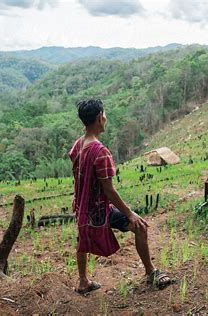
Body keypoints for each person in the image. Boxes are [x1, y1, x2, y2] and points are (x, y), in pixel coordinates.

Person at [68, 99, 172, 294]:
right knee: (140, 226)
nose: (106, 119)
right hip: (99, 211)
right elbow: (109, 190)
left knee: (82, 239)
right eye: (104, 115)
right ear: (99, 118)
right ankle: (150, 272)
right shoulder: (100, 152)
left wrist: (77, 197)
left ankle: (83, 281)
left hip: (83, 209)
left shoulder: (78, 144)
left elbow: (77, 173)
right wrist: (130, 213)